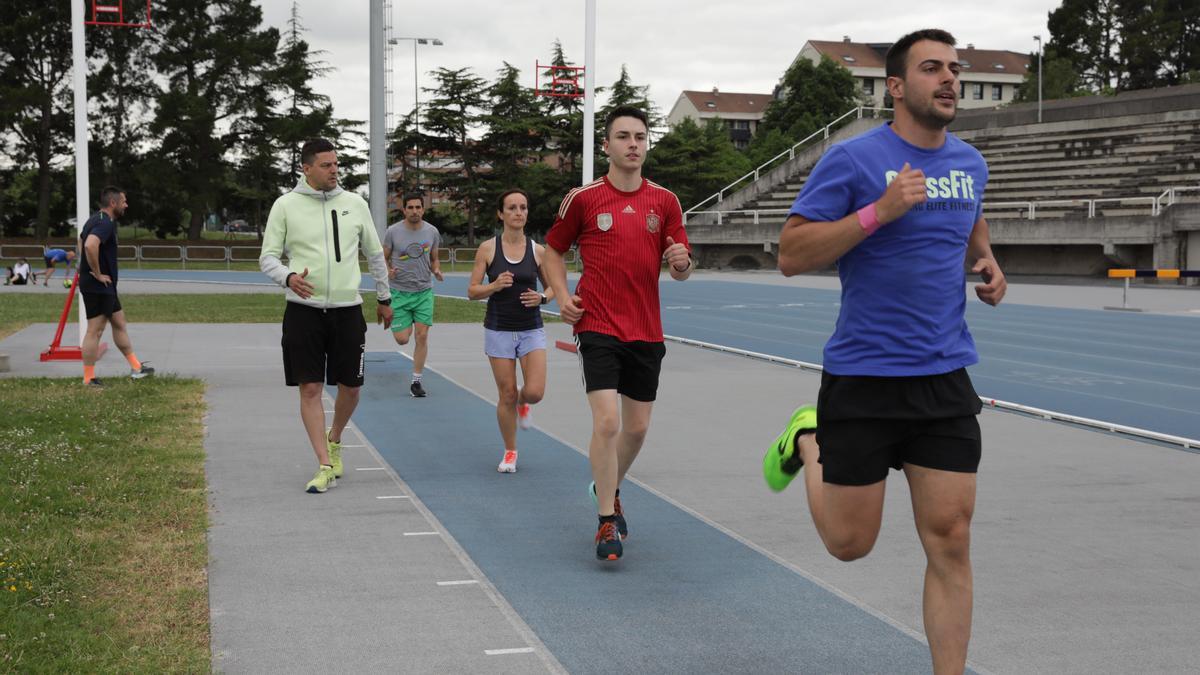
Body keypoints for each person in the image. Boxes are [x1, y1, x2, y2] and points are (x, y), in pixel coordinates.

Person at [761, 29, 1007, 675]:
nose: (950, 78)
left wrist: (984, 258)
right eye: (933, 69)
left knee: (951, 540)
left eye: (955, 68)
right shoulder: (854, 160)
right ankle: (807, 439)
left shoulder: (971, 164)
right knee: (849, 544)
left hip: (943, 377)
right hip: (863, 378)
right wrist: (879, 211)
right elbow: (790, 254)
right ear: (896, 87)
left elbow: (968, 218)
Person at [542, 105, 694, 562]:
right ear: (606, 146)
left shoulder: (664, 201)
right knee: (607, 421)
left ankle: (605, 485)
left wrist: (682, 264)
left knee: (638, 428)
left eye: (640, 137)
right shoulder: (584, 199)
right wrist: (561, 295)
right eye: (624, 137)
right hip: (598, 324)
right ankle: (607, 519)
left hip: (646, 328)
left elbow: (682, 264)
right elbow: (552, 252)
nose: (633, 144)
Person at [260, 138, 393, 494]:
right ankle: (323, 463)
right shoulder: (285, 206)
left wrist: (384, 296)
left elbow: (374, 254)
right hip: (303, 312)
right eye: (326, 165)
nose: (334, 170)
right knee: (311, 387)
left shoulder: (354, 204)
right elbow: (267, 257)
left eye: (336, 164)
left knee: (351, 387)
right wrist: (287, 277)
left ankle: (335, 438)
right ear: (306, 168)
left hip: (347, 310)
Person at [467, 189, 555, 473]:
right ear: (501, 213)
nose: (519, 212)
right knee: (506, 394)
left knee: (535, 391)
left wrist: (542, 298)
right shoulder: (488, 249)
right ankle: (510, 452)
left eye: (523, 208)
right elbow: (472, 291)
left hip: (531, 329)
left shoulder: (538, 251)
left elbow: (554, 288)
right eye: (512, 208)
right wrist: (494, 286)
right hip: (499, 329)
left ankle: (524, 402)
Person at [78, 186, 156, 386]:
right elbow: (89, 245)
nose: (126, 205)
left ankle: (136, 367)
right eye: (124, 201)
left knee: (119, 322)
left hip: (105, 286)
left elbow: (81, 241)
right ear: (113, 203)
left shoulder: (95, 219)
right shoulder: (104, 224)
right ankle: (89, 378)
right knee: (94, 330)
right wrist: (95, 272)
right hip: (99, 285)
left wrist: (86, 266)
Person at [382, 193, 443, 398]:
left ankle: (416, 382)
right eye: (411, 207)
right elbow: (383, 258)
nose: (415, 211)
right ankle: (394, 321)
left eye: (418, 207)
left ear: (423, 209)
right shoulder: (393, 232)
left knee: (422, 335)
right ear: (404, 210)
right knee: (402, 339)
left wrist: (436, 270)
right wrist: (387, 270)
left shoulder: (432, 231)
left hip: (424, 291)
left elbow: (435, 259)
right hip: (399, 292)